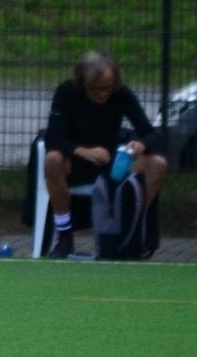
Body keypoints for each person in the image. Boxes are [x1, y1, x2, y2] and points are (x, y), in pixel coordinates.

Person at [43, 50, 167, 259]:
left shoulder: (121, 94)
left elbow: (151, 134)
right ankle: (64, 235)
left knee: (158, 164)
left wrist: (141, 144)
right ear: (83, 84)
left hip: (111, 164)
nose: (102, 95)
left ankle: (129, 231)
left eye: (107, 89)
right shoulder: (66, 92)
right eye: (95, 90)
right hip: (76, 162)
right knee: (52, 160)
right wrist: (83, 151)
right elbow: (52, 137)